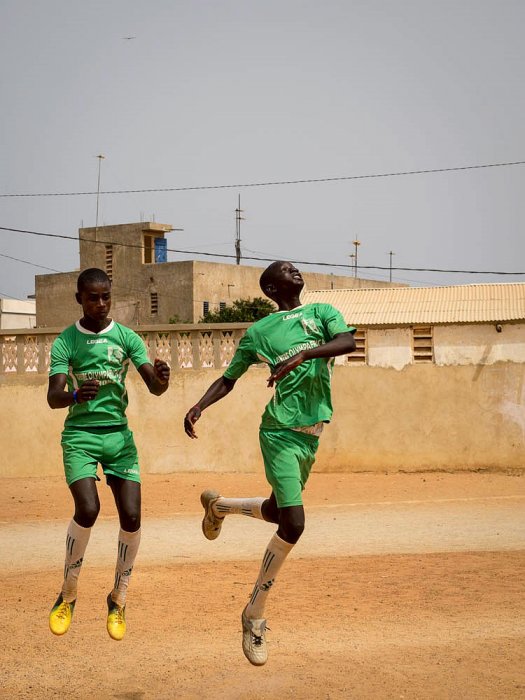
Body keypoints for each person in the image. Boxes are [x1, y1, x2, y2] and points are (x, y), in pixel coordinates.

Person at [184, 261, 356, 665]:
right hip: (278, 431)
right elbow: (230, 377)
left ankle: (219, 506)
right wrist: (199, 406)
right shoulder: (259, 333)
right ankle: (254, 614)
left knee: (279, 510)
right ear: (271, 288)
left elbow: (347, 343)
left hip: (311, 435)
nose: (295, 271)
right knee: (293, 524)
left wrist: (303, 356)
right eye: (286, 270)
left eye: (295, 268)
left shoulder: (322, 313)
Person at [47, 268, 170, 641]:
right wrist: (72, 395)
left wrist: (163, 376)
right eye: (92, 298)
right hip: (81, 436)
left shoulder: (127, 337)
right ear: (79, 299)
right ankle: (67, 594)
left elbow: (155, 388)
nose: (100, 304)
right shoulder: (66, 341)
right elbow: (53, 397)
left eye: (105, 297)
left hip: (119, 439)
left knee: (131, 517)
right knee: (88, 509)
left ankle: (118, 597)